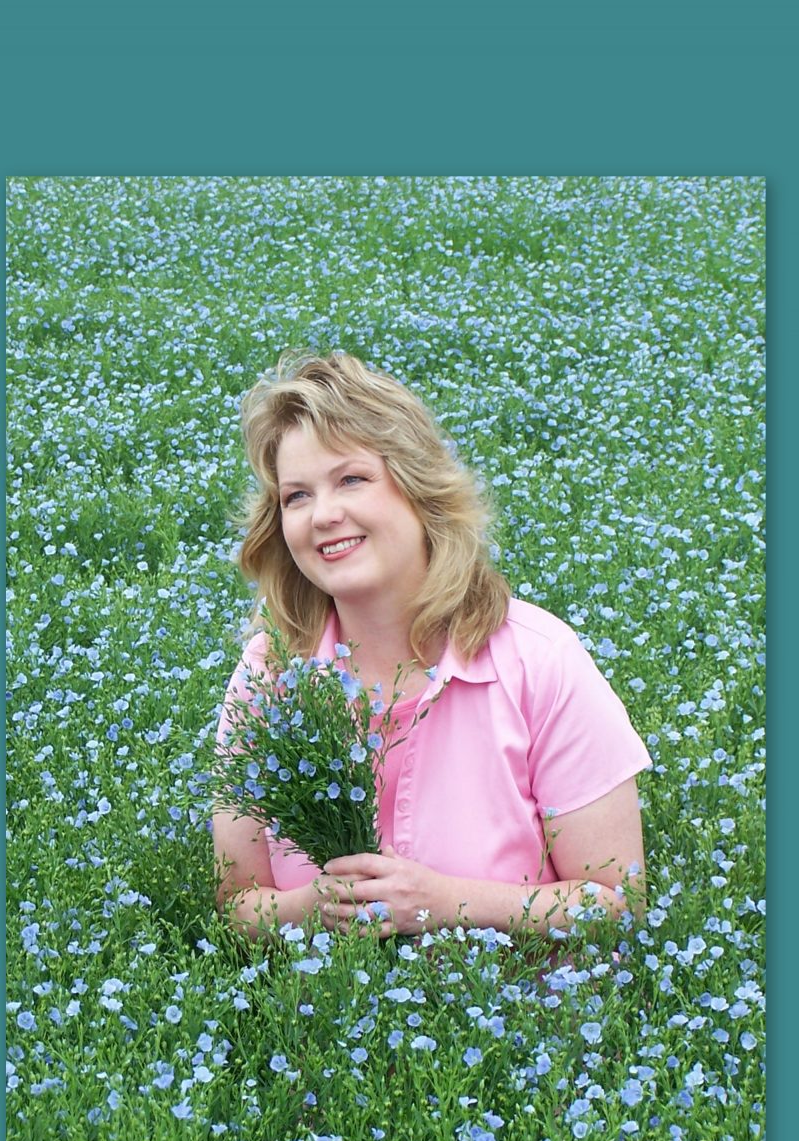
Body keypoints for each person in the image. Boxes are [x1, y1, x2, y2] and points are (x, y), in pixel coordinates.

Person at [212, 351, 649, 940]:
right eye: (297, 496)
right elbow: (237, 904)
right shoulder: (270, 673)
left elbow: (617, 904)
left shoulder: (539, 661)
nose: (324, 515)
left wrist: (445, 903)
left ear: (418, 490)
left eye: (351, 479)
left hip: (521, 1020)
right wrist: (312, 908)